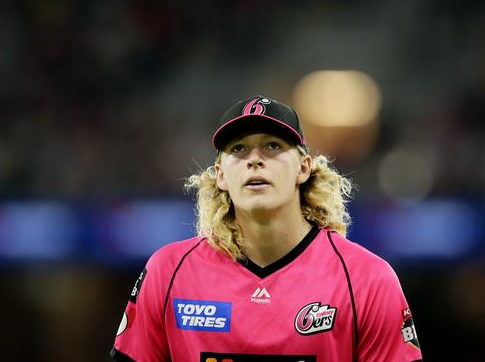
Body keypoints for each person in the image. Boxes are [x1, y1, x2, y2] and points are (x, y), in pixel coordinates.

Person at [110, 95, 423, 362]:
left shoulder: (368, 280)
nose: (255, 160)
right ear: (220, 175)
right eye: (239, 149)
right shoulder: (168, 272)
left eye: (272, 146)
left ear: (304, 168)